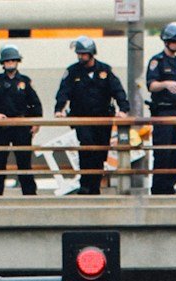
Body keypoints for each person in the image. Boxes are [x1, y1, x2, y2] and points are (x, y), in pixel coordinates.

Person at [56, 38, 131, 194]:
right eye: (79, 54)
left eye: (83, 54)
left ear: (91, 54)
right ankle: (85, 184)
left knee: (100, 151)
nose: (80, 57)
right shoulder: (72, 71)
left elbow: (118, 91)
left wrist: (123, 109)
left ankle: (95, 185)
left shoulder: (105, 70)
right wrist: (59, 109)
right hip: (81, 117)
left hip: (102, 118)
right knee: (86, 147)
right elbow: (64, 92)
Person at [0, 46, 43, 196]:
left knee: (24, 162)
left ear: (17, 62)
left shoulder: (25, 82)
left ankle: (29, 194)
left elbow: (35, 104)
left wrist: (36, 122)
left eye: (12, 60)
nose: (10, 63)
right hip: (1, 127)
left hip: (21, 127)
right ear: (2, 63)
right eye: (7, 61)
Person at [148, 23, 176, 193]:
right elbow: (151, 85)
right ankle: (159, 187)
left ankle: (171, 185)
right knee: (163, 151)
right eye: (174, 42)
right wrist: (165, 84)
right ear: (166, 42)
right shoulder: (156, 61)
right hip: (163, 111)